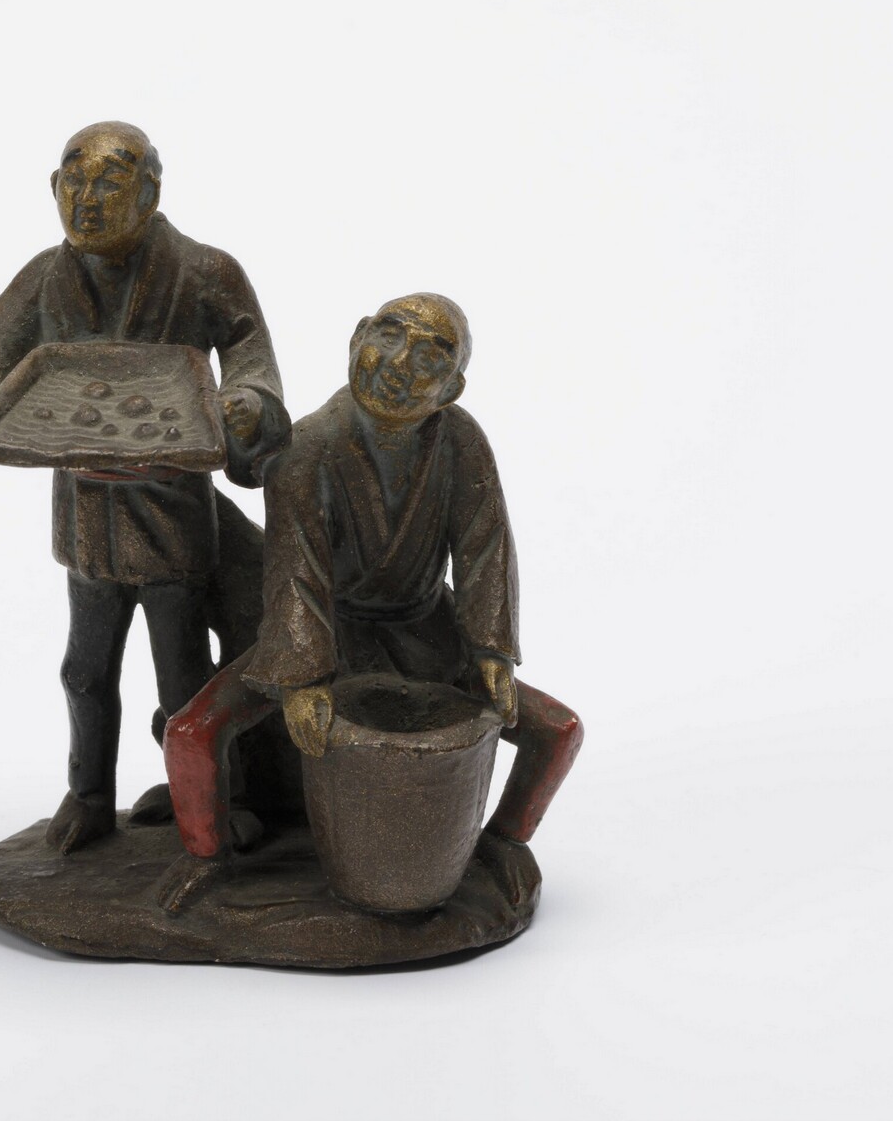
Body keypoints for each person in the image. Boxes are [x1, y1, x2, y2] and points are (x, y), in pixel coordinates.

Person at [0, 122, 289, 853]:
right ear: (53, 188)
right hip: (86, 522)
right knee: (84, 672)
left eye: (110, 183)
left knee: (184, 680)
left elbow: (253, 361)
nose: (87, 199)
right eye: (74, 181)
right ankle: (88, 796)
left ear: (149, 193)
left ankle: (215, 802)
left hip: (174, 522)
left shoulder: (206, 271)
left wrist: (246, 405)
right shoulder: (45, 279)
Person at [159, 293, 581, 910]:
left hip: (428, 629)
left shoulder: (461, 440)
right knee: (192, 732)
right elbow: (296, 571)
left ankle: (505, 842)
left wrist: (491, 652)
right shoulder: (307, 447)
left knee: (558, 732)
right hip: (326, 630)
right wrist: (304, 678)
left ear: (451, 390)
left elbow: (486, 546)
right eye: (388, 335)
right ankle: (205, 858)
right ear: (358, 338)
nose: (399, 363)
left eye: (431, 357)